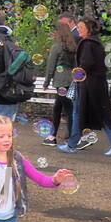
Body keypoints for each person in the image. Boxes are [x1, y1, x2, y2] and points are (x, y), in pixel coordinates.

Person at [58, 16, 111, 157]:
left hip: (88, 87)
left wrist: (76, 74)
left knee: (79, 114)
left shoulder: (87, 43)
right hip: (95, 85)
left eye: (82, 27)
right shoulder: (95, 42)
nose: (79, 30)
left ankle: (72, 145)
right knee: (101, 115)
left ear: (89, 29)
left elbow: (86, 64)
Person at [42, 17, 88, 148]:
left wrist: (46, 82)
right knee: (58, 108)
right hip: (71, 80)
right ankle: (52, 136)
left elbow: (50, 68)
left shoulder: (56, 47)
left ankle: (75, 138)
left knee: (68, 109)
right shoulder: (74, 47)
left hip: (60, 81)